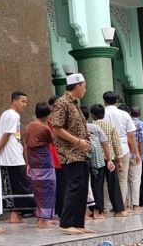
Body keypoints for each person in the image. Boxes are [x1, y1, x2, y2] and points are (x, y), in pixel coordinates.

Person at [50, 73, 92, 235]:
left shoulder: (74, 104)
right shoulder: (62, 103)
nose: (85, 90)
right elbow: (57, 128)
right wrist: (77, 141)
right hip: (69, 153)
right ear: (77, 86)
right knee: (74, 187)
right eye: (84, 86)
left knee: (81, 188)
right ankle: (66, 223)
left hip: (80, 153)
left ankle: (78, 223)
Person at [0, 91, 36, 223]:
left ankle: (14, 215)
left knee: (11, 186)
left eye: (26, 102)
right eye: (23, 101)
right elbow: (6, 135)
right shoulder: (14, 115)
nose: (25, 104)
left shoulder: (4, 114)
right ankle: (20, 214)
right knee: (24, 184)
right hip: (13, 156)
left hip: (5, 157)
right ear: (14, 101)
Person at [23, 103, 56, 228]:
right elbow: (53, 140)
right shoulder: (44, 128)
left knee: (38, 188)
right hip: (44, 160)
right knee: (48, 188)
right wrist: (52, 125)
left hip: (33, 159)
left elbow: (26, 145)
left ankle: (41, 216)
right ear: (46, 115)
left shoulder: (28, 127)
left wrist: (28, 163)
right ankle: (44, 219)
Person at [91, 104, 127, 217]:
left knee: (97, 184)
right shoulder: (110, 126)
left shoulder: (91, 127)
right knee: (113, 184)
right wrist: (120, 161)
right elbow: (116, 144)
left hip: (96, 160)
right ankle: (118, 210)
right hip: (110, 159)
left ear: (92, 115)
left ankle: (98, 210)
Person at [103, 91, 137, 208]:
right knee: (122, 179)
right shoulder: (124, 114)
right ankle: (120, 206)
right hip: (123, 149)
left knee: (107, 179)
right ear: (116, 101)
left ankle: (106, 206)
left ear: (104, 101)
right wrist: (136, 152)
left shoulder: (101, 114)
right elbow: (131, 135)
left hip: (106, 150)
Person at [81, 106, 114, 220]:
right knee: (97, 186)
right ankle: (97, 212)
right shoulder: (94, 127)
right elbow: (105, 143)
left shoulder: (74, 129)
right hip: (97, 162)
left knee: (84, 186)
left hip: (82, 161)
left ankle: (84, 213)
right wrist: (109, 159)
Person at [47, 96, 65, 218]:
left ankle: (61, 210)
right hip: (54, 156)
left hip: (60, 156)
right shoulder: (50, 121)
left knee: (62, 185)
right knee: (58, 185)